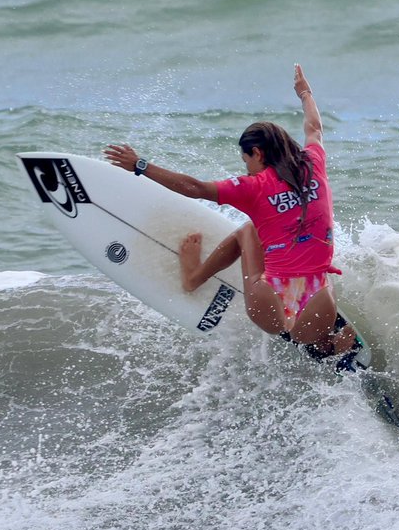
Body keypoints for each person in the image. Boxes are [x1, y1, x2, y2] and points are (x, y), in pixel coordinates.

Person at [103, 64, 355, 355]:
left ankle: (193, 278)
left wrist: (140, 165)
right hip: (318, 307)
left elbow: (194, 188)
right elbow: (314, 127)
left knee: (247, 231)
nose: (245, 166)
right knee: (313, 301)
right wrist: (305, 93)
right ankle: (323, 343)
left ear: (257, 154)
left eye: (246, 159)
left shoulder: (252, 186)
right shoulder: (314, 161)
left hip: (269, 306)